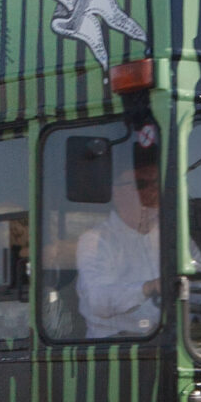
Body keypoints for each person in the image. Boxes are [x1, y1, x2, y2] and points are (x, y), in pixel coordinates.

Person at [74, 142, 161, 338]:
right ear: (117, 192)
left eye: (157, 183)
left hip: (172, 342)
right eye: (142, 184)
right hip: (114, 350)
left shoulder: (175, 238)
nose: (153, 192)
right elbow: (99, 300)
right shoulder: (95, 240)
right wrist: (148, 287)